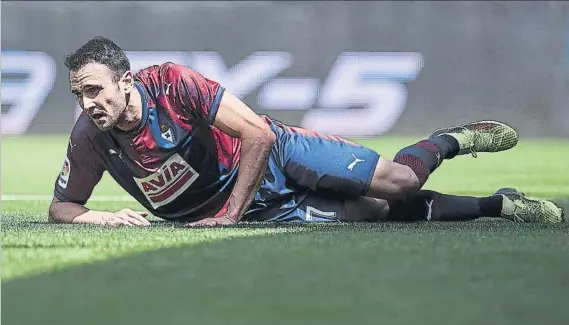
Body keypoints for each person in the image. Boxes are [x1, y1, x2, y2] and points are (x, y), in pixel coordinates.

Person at [49, 36, 564, 227]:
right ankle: (499, 204)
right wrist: (103, 217)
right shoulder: (89, 137)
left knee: (400, 185)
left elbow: (258, 136)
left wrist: (229, 216)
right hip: (256, 207)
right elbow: (62, 206)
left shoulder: (175, 84)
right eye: (79, 95)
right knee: (380, 214)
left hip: (276, 156)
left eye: (96, 90)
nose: (88, 104)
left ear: (126, 79)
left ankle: (451, 139)